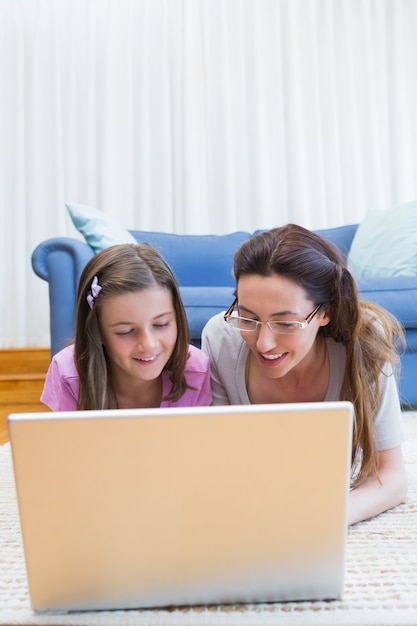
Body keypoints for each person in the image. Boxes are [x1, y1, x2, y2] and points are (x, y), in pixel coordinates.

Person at [202, 224, 407, 526]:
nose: (263, 343)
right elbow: (217, 463)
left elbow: (391, 476)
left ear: (325, 312)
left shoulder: (364, 340)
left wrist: (324, 517)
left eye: (285, 323)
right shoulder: (221, 338)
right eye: (248, 318)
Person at [41, 242, 212, 410]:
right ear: (96, 331)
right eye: (126, 331)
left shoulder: (196, 369)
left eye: (161, 324)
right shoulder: (68, 373)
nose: (148, 344)